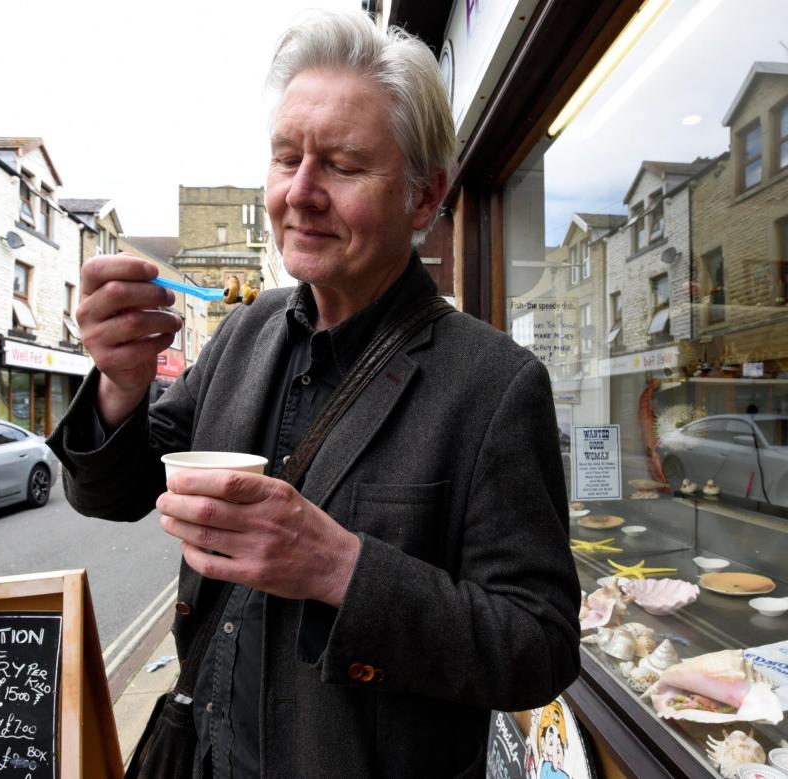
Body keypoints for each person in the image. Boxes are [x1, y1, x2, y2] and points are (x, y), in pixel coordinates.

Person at [49, 10, 580, 777]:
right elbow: (117, 491)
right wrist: (121, 382)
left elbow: (538, 646)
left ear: (424, 199)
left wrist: (343, 569)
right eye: (285, 157)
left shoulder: (494, 384)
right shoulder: (244, 332)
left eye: (341, 164)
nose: (300, 193)